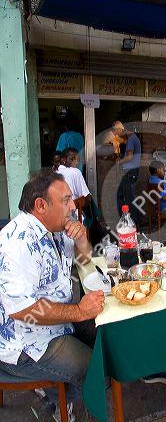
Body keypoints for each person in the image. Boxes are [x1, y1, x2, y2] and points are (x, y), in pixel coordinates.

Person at [0, 171, 104, 421]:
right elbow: (22, 311)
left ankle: (58, 390)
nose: (72, 206)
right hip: (26, 342)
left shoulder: (54, 228)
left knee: (106, 332)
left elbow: (84, 260)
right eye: (66, 200)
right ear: (40, 205)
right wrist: (79, 311)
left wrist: (81, 240)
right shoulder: (17, 244)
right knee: (95, 370)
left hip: (57, 323)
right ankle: (63, 403)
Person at [117, 130, 142, 224]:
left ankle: (134, 223)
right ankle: (126, 221)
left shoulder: (132, 139)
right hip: (131, 171)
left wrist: (119, 162)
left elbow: (130, 157)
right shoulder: (133, 139)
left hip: (130, 172)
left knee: (129, 198)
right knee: (122, 195)